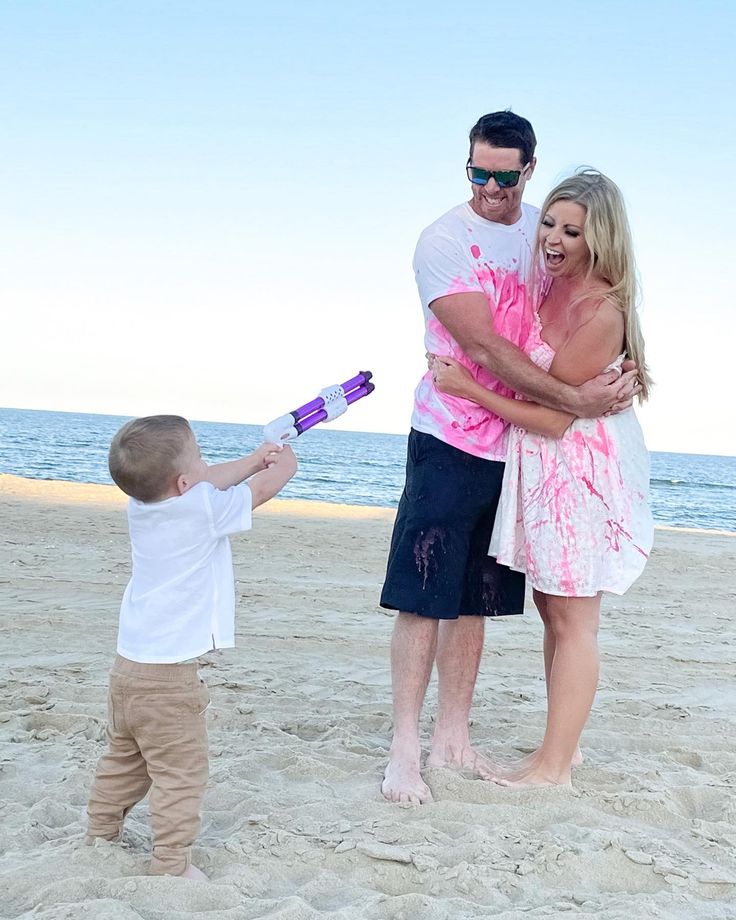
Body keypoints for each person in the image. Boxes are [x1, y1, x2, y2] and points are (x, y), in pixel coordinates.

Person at [379, 111, 640, 805]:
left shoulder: (544, 230)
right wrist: (573, 403)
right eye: (477, 172)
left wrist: (624, 372)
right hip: (450, 436)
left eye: (504, 174)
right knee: (422, 593)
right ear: (466, 166)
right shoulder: (444, 241)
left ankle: (453, 738)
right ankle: (406, 748)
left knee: (474, 600)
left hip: (519, 456)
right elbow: (489, 348)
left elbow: (600, 302)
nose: (490, 187)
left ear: (528, 169)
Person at [432, 168, 654, 787]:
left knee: (575, 620)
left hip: (580, 470)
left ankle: (553, 768)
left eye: (571, 230)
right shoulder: (550, 282)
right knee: (554, 612)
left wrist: (467, 387)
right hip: (546, 469)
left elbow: (557, 420)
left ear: (600, 237)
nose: (553, 238)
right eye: (550, 223)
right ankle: (562, 748)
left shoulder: (600, 311)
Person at [86, 415, 297, 878]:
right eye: (200, 457)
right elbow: (262, 489)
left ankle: (99, 833)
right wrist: (282, 454)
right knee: (180, 774)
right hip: (170, 684)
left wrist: (251, 459)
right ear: (183, 481)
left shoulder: (142, 505)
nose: (207, 463)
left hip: (128, 670)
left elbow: (204, 480)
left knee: (125, 759)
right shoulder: (202, 509)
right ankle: (170, 863)